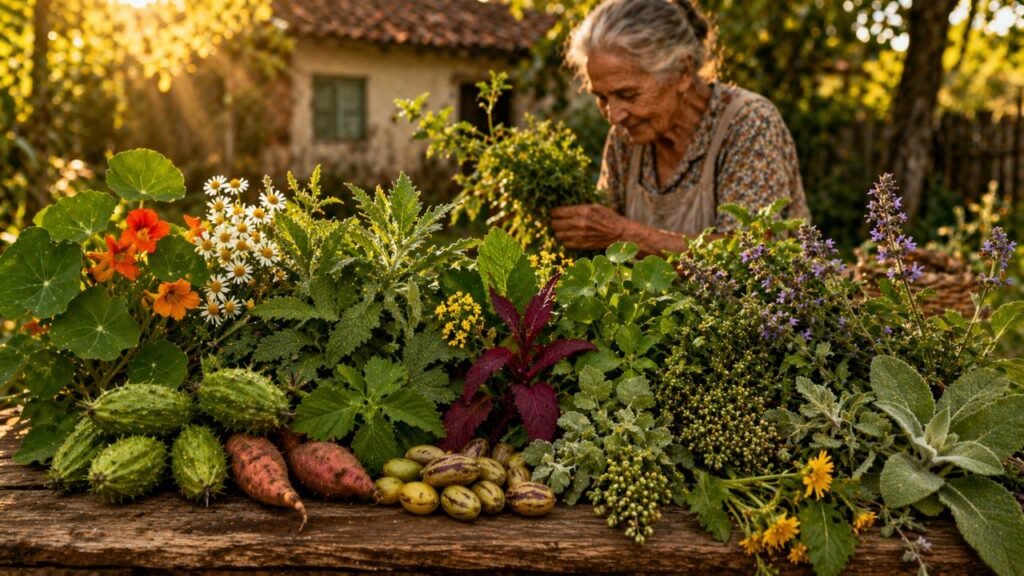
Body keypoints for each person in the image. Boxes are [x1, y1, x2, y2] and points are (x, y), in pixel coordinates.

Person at [551, 0, 810, 256]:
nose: (614, 115)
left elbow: (751, 254)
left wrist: (623, 235)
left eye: (628, 94)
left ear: (683, 72)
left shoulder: (749, 123)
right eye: (602, 97)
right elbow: (599, 237)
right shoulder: (626, 135)